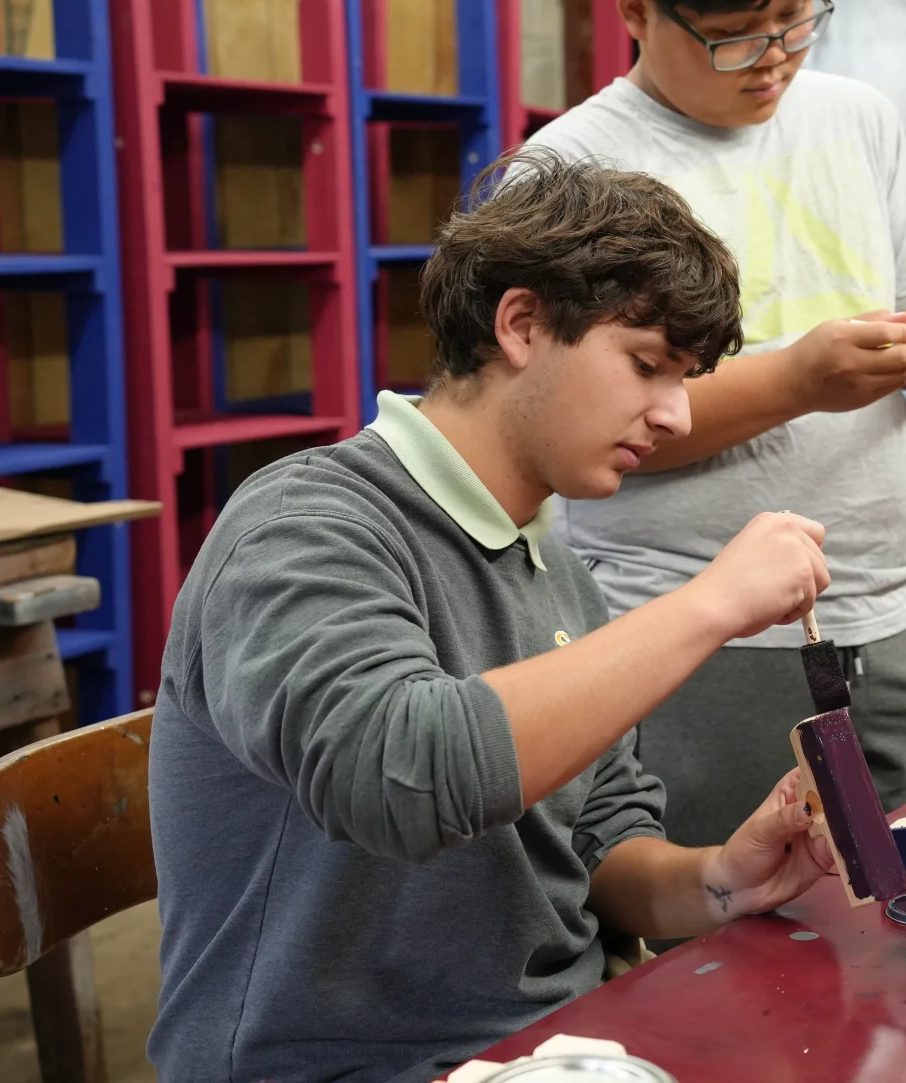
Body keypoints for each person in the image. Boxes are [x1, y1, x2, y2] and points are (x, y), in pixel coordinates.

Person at [147, 156, 841, 1083]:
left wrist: (721, 879)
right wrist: (711, 604)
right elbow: (404, 778)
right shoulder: (304, 527)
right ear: (520, 325)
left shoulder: (553, 568)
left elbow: (592, 843)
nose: (676, 415)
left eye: (685, 377)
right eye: (647, 367)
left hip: (558, 1043)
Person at [530, 0, 906, 846]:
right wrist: (799, 379)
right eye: (734, 36)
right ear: (635, 11)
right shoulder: (571, 176)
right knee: (724, 932)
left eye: (796, 23)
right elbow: (579, 444)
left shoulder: (856, 118)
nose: (775, 60)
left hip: (892, 609)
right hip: (694, 633)